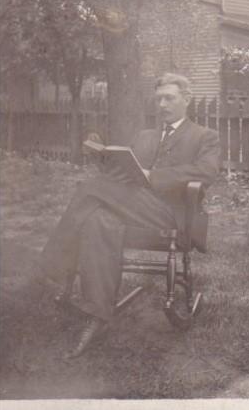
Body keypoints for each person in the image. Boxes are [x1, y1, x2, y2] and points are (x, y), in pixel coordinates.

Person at [37, 73, 220, 358]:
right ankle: (96, 315)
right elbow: (123, 175)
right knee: (100, 220)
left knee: (89, 188)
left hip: (171, 215)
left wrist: (154, 175)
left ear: (187, 99)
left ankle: (55, 265)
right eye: (158, 98)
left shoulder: (204, 136)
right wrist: (103, 157)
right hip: (133, 207)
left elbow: (205, 172)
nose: (162, 104)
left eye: (169, 98)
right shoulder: (144, 136)